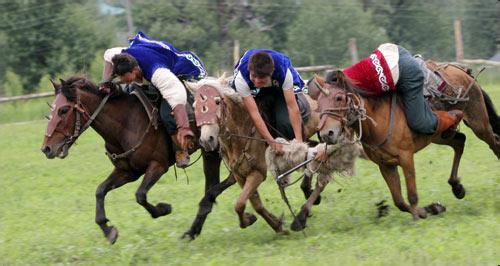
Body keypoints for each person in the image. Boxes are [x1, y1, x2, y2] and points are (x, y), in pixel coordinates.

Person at [101, 31, 207, 168]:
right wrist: (105, 82)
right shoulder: (123, 55)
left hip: (181, 72)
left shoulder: (158, 73)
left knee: (166, 114)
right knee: (129, 92)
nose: (121, 80)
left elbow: (177, 94)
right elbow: (108, 54)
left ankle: (181, 149)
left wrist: (183, 126)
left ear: (134, 71)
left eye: (123, 77)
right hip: (152, 58)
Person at [329, 43, 463, 136]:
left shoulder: (349, 89)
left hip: (407, 72)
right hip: (392, 51)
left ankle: (451, 117)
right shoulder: (344, 78)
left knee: (419, 122)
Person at [232, 49, 307, 154]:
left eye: (262, 77)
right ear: (250, 71)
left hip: (278, 85)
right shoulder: (241, 79)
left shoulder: (284, 72)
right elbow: (254, 114)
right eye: (254, 76)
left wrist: (299, 141)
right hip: (250, 87)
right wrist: (271, 142)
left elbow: (292, 107)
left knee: (285, 122)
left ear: (271, 73)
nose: (257, 81)